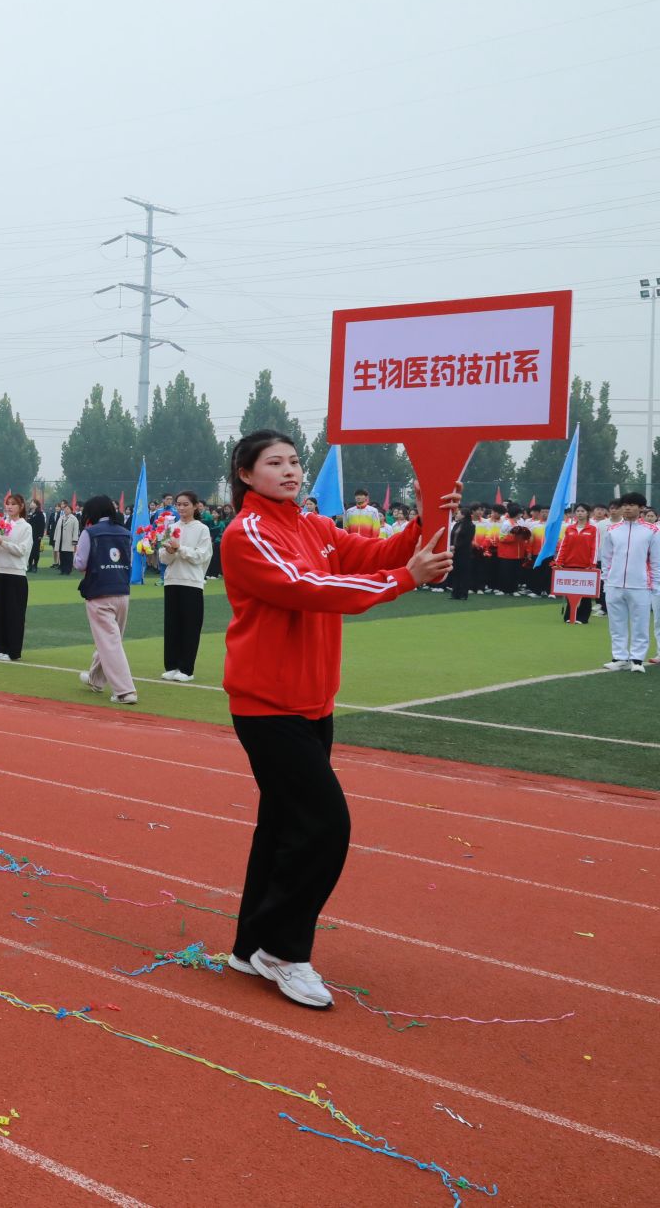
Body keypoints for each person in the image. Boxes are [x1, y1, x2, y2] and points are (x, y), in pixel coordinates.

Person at [218, 430, 454, 1009]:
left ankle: (252, 945)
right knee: (324, 827)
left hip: (313, 702)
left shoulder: (314, 525)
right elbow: (309, 588)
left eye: (295, 460)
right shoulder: (248, 533)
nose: (290, 470)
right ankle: (282, 951)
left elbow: (374, 555)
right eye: (275, 463)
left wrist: (428, 520)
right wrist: (405, 579)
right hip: (267, 705)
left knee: (282, 826)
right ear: (246, 475)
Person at [73, 496, 136, 704]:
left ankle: (125, 691)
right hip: (122, 592)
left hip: (99, 592)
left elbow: (80, 564)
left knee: (109, 642)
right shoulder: (126, 532)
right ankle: (96, 679)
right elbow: (130, 562)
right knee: (111, 639)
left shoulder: (90, 532)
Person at [157, 490, 212, 681]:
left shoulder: (202, 529)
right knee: (172, 625)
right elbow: (163, 558)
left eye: (185, 504)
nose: (181, 508)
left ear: (195, 506)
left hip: (192, 583)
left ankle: (186, 669)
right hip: (172, 581)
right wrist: (170, 551)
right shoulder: (171, 527)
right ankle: (171, 665)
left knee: (190, 626)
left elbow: (201, 556)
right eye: (178, 504)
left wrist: (180, 548)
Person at [598, 495, 655, 672]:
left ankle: (637, 659)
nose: (627, 508)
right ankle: (619, 657)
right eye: (624, 505)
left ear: (641, 508)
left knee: (640, 623)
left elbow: (656, 560)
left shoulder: (652, 530)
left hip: (641, 585)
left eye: (631, 505)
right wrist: (606, 580)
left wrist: (655, 585)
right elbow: (606, 557)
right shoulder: (612, 530)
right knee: (616, 623)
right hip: (614, 584)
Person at [0, 492, 32, 662]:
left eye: (13, 504)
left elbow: (21, 550)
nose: (9, 507)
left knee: (14, 614)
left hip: (16, 574)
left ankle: (13, 651)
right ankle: (1, 648)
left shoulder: (25, 527)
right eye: (8, 503)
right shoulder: (0, 524)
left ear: (21, 507)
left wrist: (2, 542)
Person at [556, 505, 597, 625]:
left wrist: (592, 564)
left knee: (585, 593)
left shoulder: (593, 529)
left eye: (582, 511)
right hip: (569, 564)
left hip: (585, 566)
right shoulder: (569, 528)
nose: (579, 513)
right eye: (578, 511)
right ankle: (569, 616)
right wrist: (559, 562)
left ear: (588, 513)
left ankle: (583, 617)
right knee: (570, 592)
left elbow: (594, 548)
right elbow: (563, 546)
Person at [447, 504, 479, 602]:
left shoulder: (471, 526)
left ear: (464, 515)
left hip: (464, 552)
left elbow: (467, 540)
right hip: (455, 552)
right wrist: (451, 546)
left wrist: (455, 546)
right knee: (455, 572)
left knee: (464, 573)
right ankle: (455, 593)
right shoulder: (456, 524)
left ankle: (463, 593)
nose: (456, 515)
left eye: (458, 513)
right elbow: (452, 536)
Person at [54, 504, 80, 576]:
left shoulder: (74, 519)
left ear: (71, 510)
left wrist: (75, 540)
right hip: (61, 540)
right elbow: (57, 528)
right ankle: (62, 570)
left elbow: (76, 530)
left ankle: (68, 570)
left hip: (69, 540)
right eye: (65, 509)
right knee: (62, 556)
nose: (66, 510)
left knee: (68, 556)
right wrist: (55, 538)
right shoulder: (61, 518)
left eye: (68, 509)